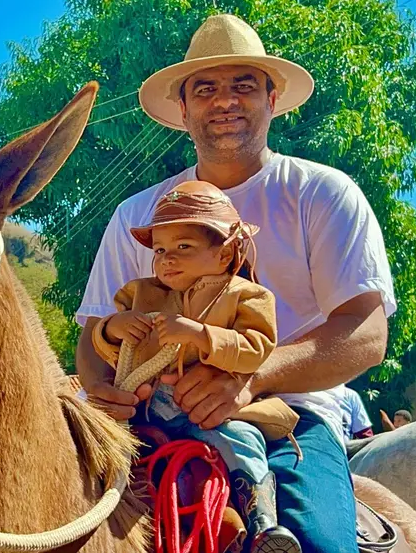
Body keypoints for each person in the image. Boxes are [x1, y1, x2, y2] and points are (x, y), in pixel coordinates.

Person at [75, 13, 394, 553]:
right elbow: (93, 334)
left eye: (244, 85)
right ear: (184, 110)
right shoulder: (137, 214)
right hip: (148, 415)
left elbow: (365, 334)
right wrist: (106, 392)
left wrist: (250, 378)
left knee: (316, 544)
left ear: (272, 99)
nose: (225, 101)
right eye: (205, 89)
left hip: (288, 415)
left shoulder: (323, 193)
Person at [91, 180, 301, 551]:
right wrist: (112, 329)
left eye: (183, 247)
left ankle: (262, 521)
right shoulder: (138, 293)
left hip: (215, 414)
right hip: (146, 408)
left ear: (224, 254)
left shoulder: (248, 296)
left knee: (242, 440)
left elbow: (256, 349)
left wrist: (202, 336)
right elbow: (108, 347)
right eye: (160, 249)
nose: (167, 258)